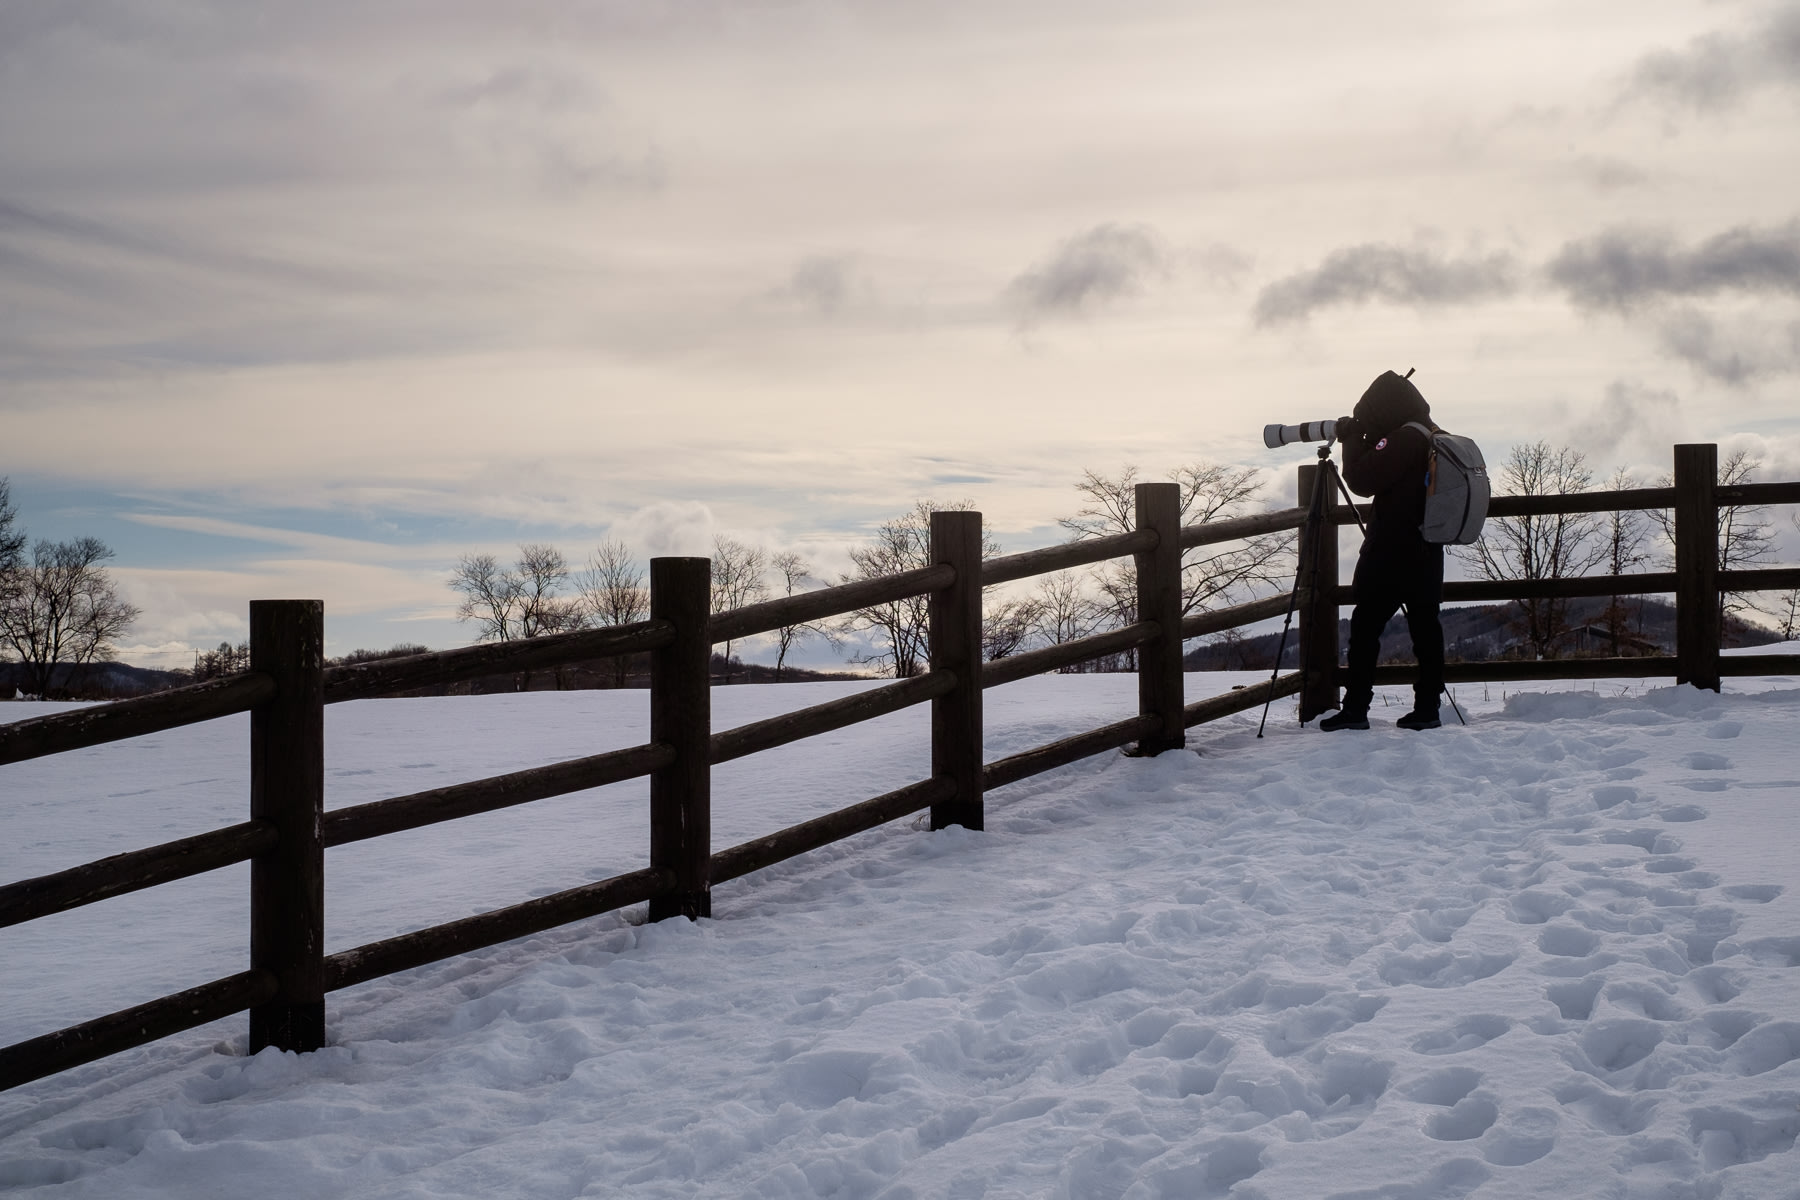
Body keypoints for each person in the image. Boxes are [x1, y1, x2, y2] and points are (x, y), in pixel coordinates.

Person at [1319, 369, 1444, 731]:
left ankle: (1356, 708)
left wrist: (1350, 440)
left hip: (1392, 549)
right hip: (1428, 547)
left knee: (1365, 628)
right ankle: (1428, 709)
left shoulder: (1403, 440)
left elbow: (1360, 480)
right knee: (1426, 630)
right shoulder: (1432, 434)